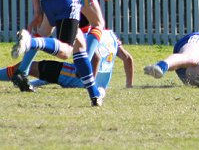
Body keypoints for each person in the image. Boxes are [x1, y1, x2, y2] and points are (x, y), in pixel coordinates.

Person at [10, 0, 112, 106]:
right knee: (66, 51)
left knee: (79, 44)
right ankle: (31, 43)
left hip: (48, 0)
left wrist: (37, 10)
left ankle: (94, 95)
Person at [0, 27, 134, 103]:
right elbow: (128, 59)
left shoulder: (88, 33)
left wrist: (88, 82)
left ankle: (31, 44)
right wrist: (129, 85)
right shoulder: (111, 36)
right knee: (34, 69)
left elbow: (96, 57)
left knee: (31, 67)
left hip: (82, 78)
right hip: (97, 83)